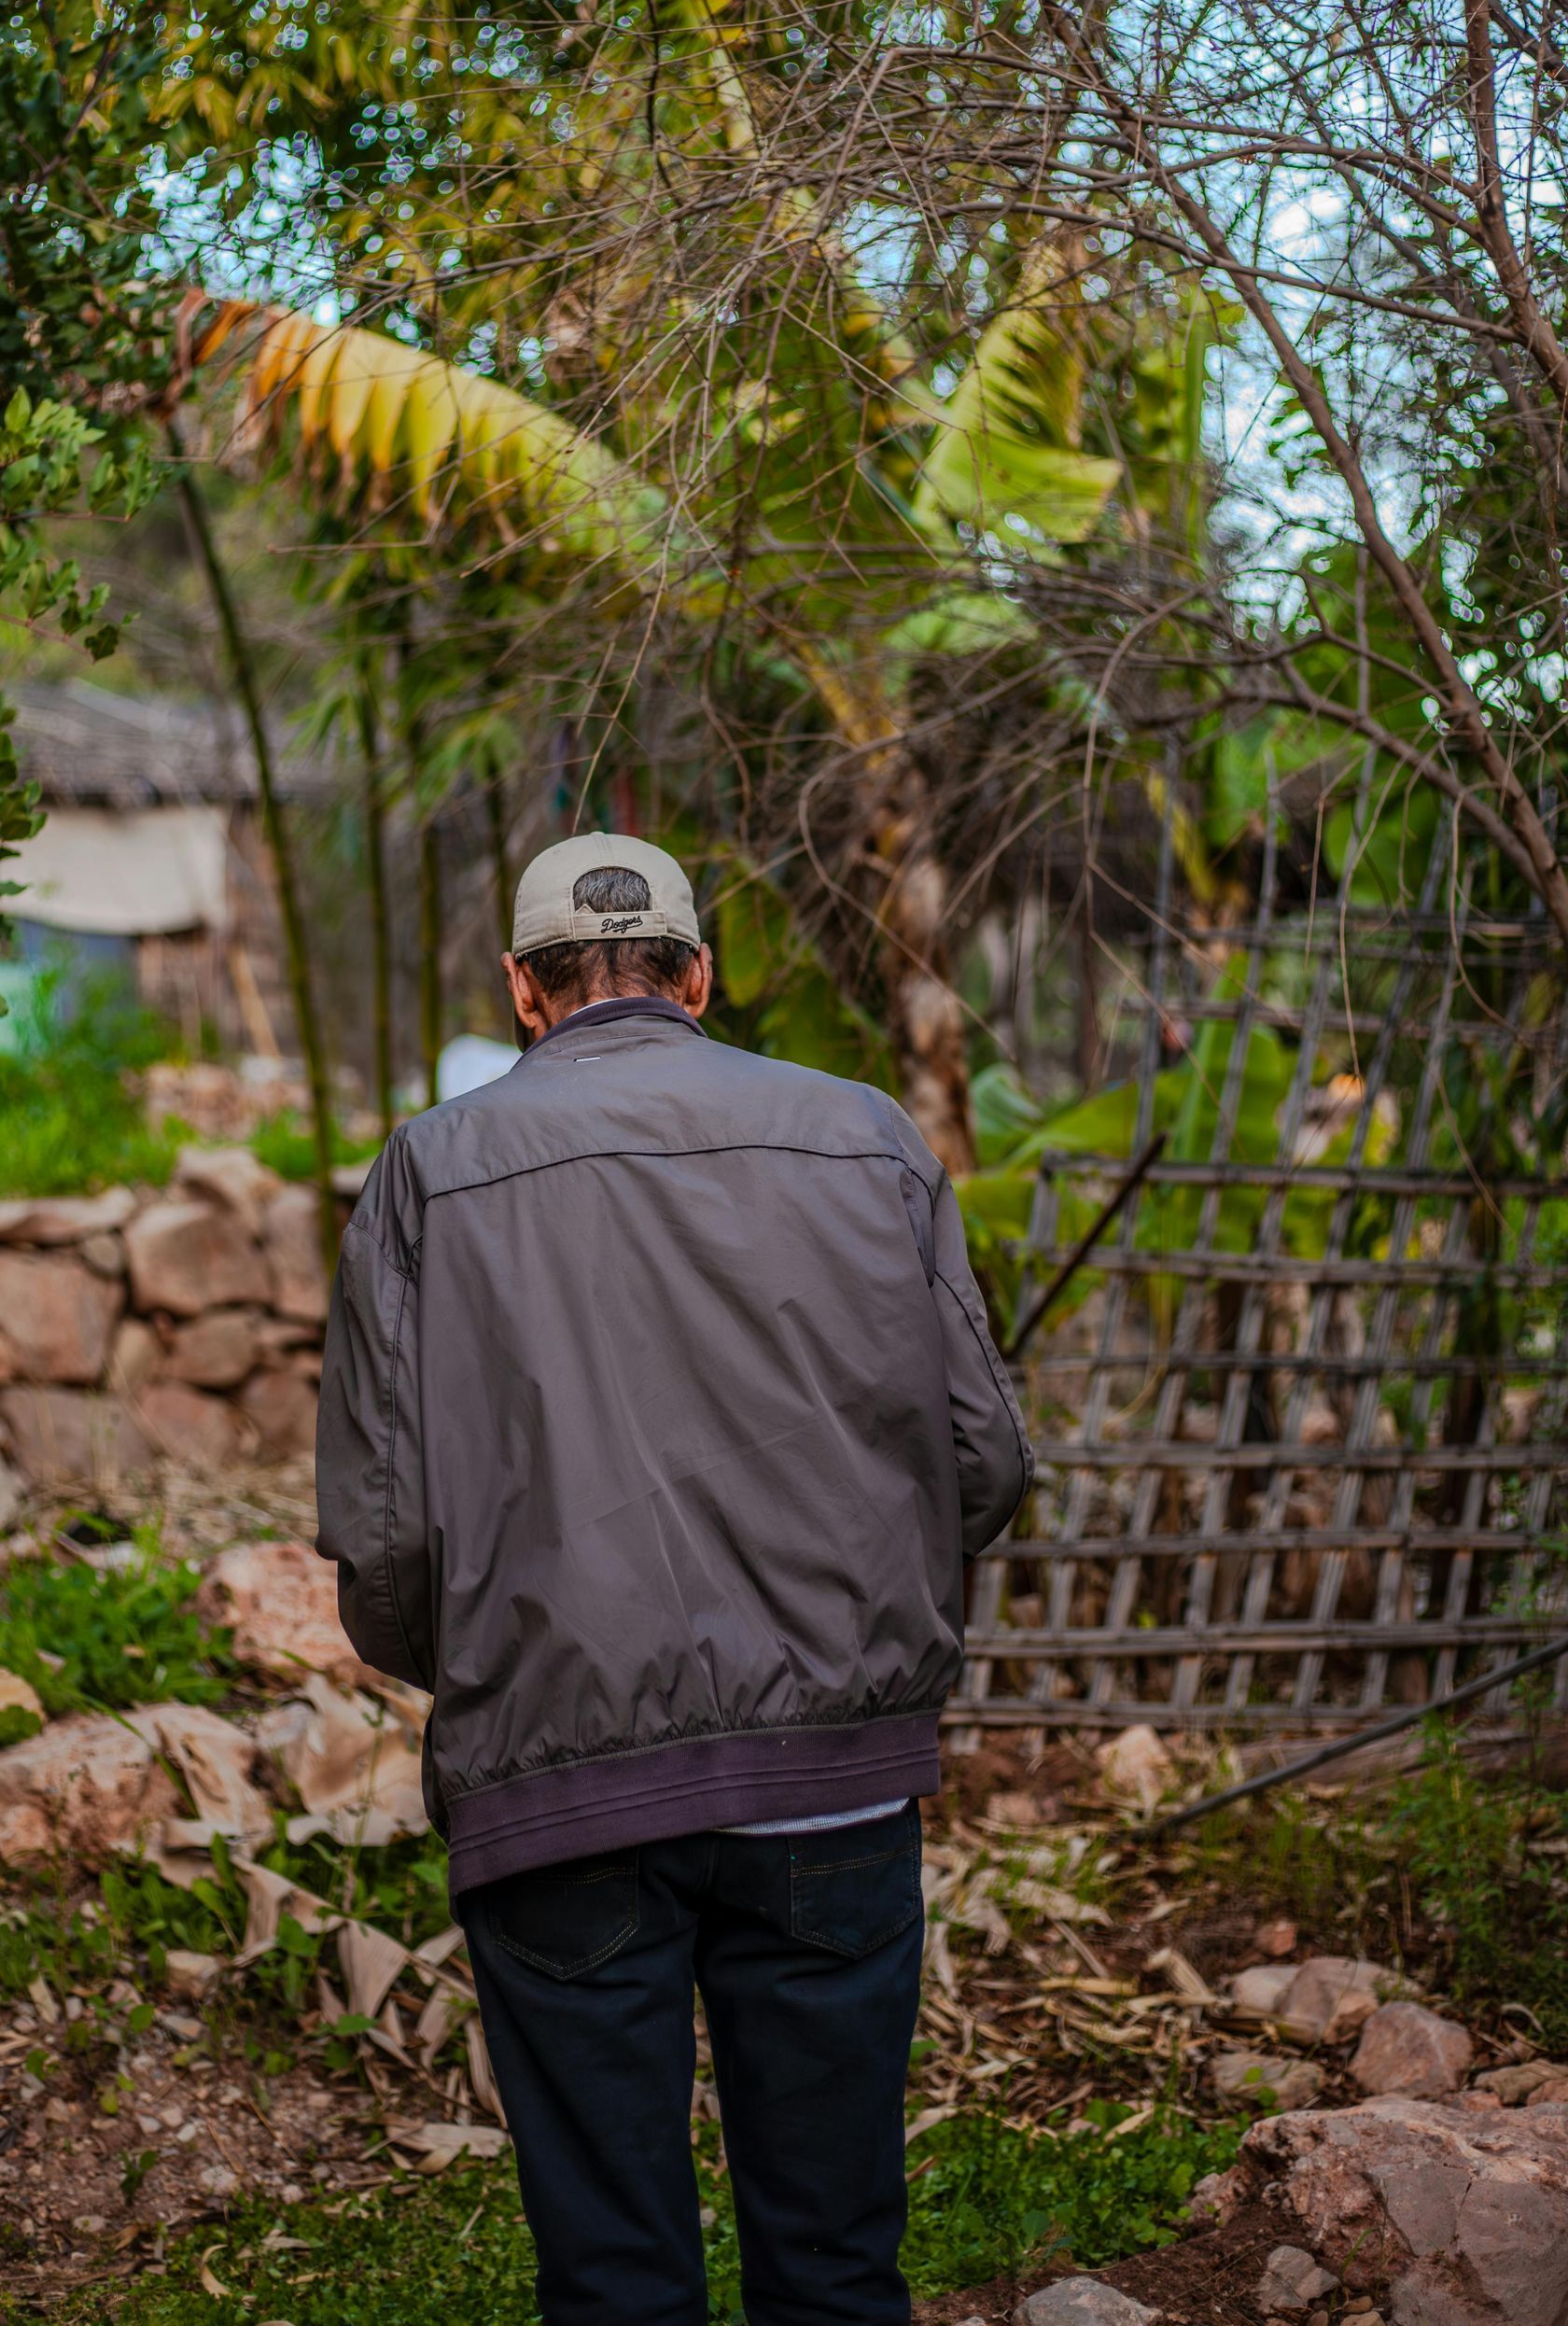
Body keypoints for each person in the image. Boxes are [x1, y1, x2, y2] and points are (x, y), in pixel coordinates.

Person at [315, 832, 1030, 2326]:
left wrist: (499, 1672)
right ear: (700, 976)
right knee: (837, 2262)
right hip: (834, 1780)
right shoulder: (871, 1138)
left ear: (523, 990)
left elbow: (383, 1542)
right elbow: (984, 1463)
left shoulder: (428, 1171)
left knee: (619, 2275)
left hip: (558, 1790)